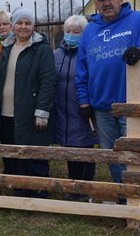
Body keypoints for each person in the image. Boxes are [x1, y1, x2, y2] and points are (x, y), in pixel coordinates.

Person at [75, 0, 140, 206]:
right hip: (102, 106)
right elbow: (82, 70)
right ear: (96, 3)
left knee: (134, 156)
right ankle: (125, 198)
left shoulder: (136, 21)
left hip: (132, 104)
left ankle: (138, 204)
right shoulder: (90, 30)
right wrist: (84, 102)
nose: (106, 3)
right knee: (113, 156)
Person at [0, 6, 56, 198]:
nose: (23, 27)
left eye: (27, 23)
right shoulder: (6, 48)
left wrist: (42, 110)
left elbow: (48, 81)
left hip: (31, 111)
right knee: (12, 153)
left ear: (33, 26)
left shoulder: (41, 50)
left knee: (34, 154)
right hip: (7, 112)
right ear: (13, 26)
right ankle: (18, 190)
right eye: (19, 23)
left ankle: (38, 193)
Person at [53, 15, 98, 202]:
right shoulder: (55, 55)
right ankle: (73, 186)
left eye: (76, 32)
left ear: (83, 34)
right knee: (71, 149)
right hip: (63, 110)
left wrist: (89, 103)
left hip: (82, 108)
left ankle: (86, 187)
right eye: (68, 31)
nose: (71, 35)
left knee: (85, 148)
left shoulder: (89, 54)